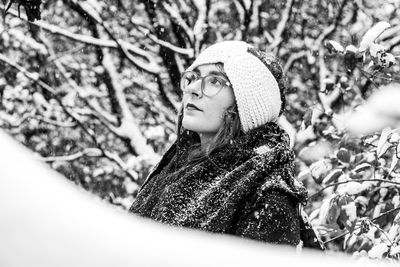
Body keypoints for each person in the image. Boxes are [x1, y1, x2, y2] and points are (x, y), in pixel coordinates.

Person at [129, 41, 322, 248]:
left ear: (246, 104)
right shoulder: (173, 168)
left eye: (215, 81)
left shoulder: (266, 198)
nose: (193, 89)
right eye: (193, 77)